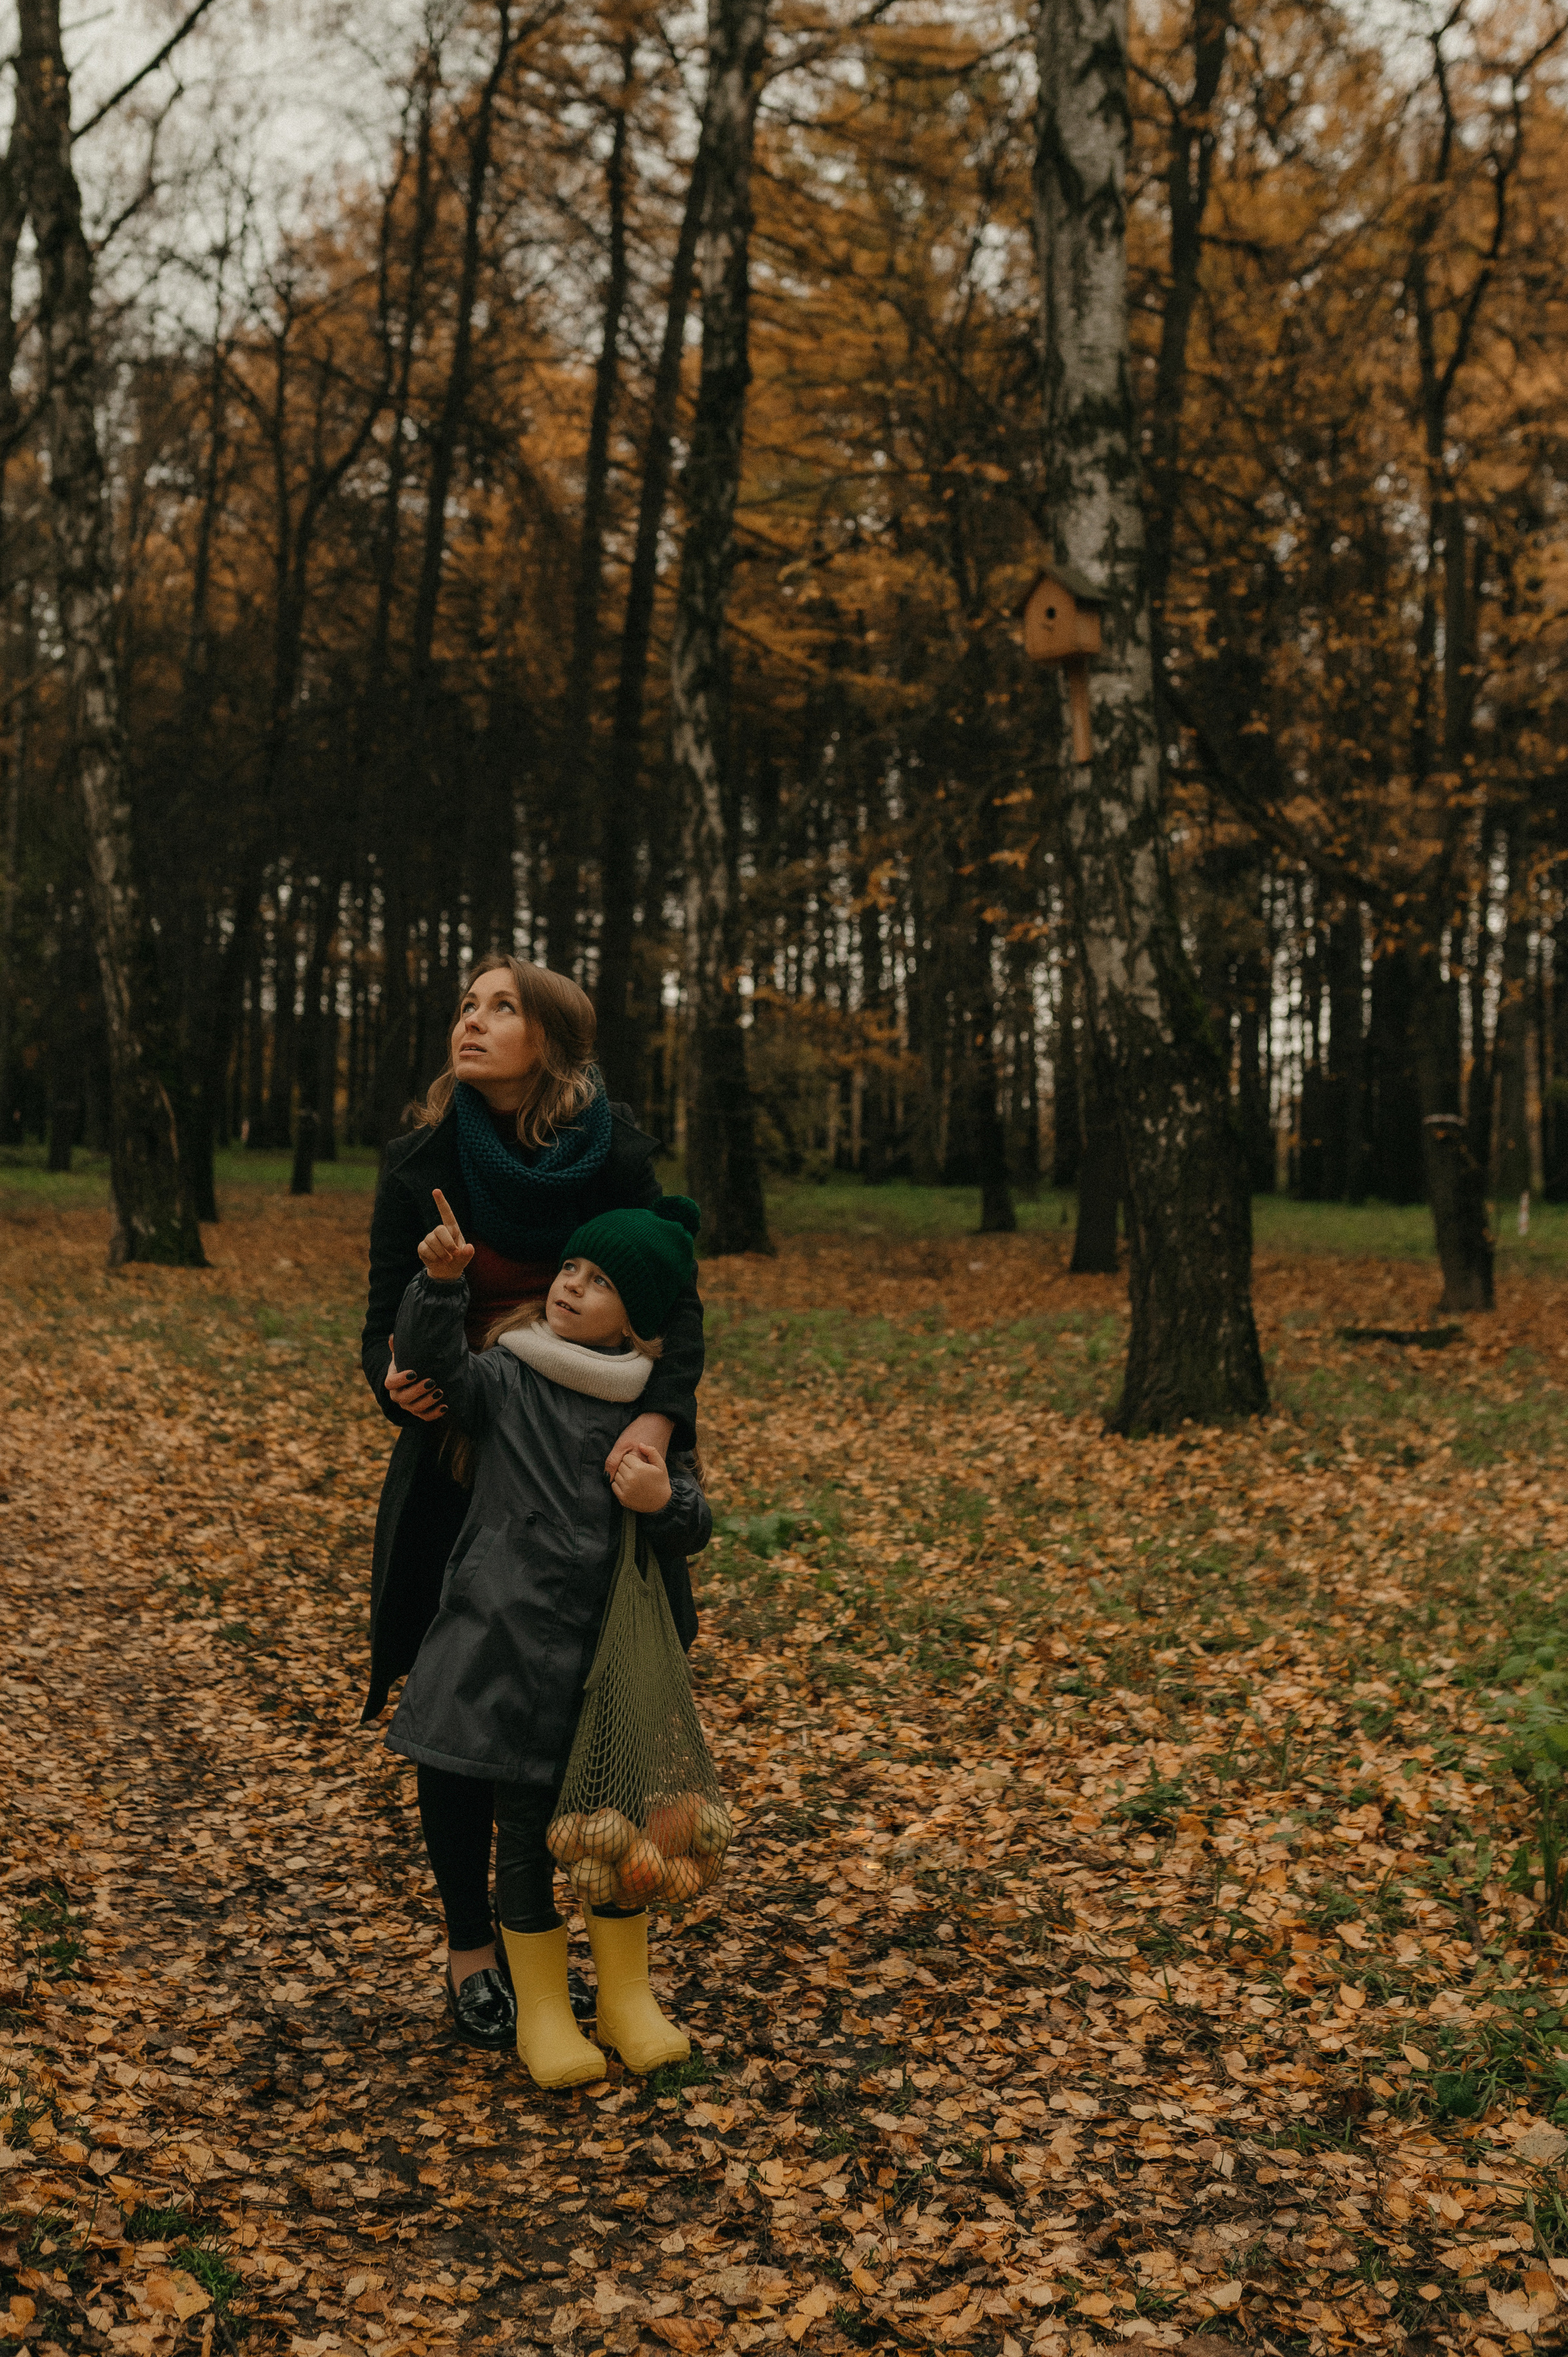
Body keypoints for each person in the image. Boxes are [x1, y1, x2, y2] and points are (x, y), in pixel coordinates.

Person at [360, 958, 703, 2048]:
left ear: (550, 1042)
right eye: (465, 1003)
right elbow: (382, 1315)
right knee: (465, 1702)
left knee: (589, 1698)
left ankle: (591, 1939)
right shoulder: (421, 1161)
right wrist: (391, 1378)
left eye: (501, 1007)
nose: (473, 1019)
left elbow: (675, 1300)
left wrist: (660, 1422)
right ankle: (477, 1954)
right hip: (468, 1443)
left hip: (595, 1450)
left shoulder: (614, 1153)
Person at [388, 1188, 712, 2088]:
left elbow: (693, 1518)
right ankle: (542, 2010)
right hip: (507, 1644)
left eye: (600, 1281)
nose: (571, 1286)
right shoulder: (510, 1374)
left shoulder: (650, 1411)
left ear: (638, 1322)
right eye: (571, 1267)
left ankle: (625, 1998)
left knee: (617, 1837)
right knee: (525, 1828)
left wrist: (665, 1501)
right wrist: (441, 1286)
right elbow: (434, 1369)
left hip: (607, 1669)